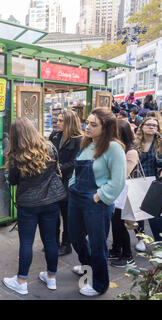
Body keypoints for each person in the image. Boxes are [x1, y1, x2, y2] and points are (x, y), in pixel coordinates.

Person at [3, 118, 67, 295]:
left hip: (28, 204)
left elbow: (13, 181)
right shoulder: (50, 147)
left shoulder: (17, 155)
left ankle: (22, 281)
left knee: (26, 242)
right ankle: (52, 278)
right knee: (50, 240)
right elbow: (55, 170)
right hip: (51, 201)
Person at [68, 107, 126, 296]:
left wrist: (98, 196)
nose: (88, 127)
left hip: (96, 202)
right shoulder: (87, 143)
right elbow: (77, 170)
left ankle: (100, 284)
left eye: (94, 124)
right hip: (76, 197)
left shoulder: (114, 147)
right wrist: (72, 184)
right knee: (75, 237)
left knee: (98, 243)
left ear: (106, 127)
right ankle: (88, 267)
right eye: (88, 123)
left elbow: (118, 181)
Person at [49, 110, 83, 256]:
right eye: (57, 120)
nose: (57, 123)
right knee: (53, 213)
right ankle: (53, 241)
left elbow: (76, 162)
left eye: (61, 121)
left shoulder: (79, 140)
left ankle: (66, 244)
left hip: (68, 181)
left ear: (69, 122)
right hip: (53, 180)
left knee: (67, 214)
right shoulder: (54, 136)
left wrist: (58, 168)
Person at [109, 120, 139, 268]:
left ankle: (128, 256)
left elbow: (123, 174)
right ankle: (116, 249)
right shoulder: (117, 147)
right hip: (116, 192)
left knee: (120, 224)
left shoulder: (131, 151)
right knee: (115, 223)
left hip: (123, 194)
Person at [134, 117, 162, 244]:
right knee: (137, 213)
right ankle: (141, 239)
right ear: (142, 127)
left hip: (152, 183)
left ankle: (158, 241)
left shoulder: (158, 144)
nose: (151, 127)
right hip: (136, 182)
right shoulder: (135, 142)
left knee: (154, 215)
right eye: (148, 124)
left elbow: (160, 163)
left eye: (154, 125)